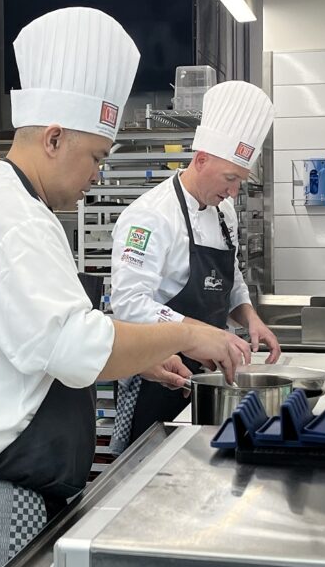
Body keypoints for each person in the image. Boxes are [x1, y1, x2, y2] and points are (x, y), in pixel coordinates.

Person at [0, 7, 250, 567]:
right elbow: (76, 346)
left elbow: (52, 330)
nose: (98, 178)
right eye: (97, 157)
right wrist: (187, 333)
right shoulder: (15, 220)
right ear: (54, 137)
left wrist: (136, 351)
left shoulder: (14, 205)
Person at [110, 80, 280, 450]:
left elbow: (231, 279)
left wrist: (249, 318)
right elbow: (129, 304)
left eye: (241, 181)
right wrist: (197, 334)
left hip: (210, 374)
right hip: (160, 374)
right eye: (230, 179)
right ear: (201, 160)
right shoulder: (150, 217)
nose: (234, 191)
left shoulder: (225, 211)